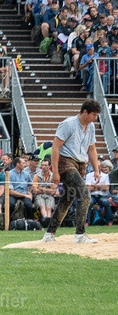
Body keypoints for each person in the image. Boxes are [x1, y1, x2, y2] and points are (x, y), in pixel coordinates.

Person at [42, 99, 102, 243]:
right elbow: (55, 148)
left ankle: (49, 234)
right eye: (93, 115)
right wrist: (55, 172)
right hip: (66, 162)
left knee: (66, 200)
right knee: (85, 195)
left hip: (80, 165)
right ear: (85, 112)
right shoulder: (67, 124)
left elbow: (92, 149)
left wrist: (96, 170)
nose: (95, 118)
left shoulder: (91, 127)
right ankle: (80, 234)